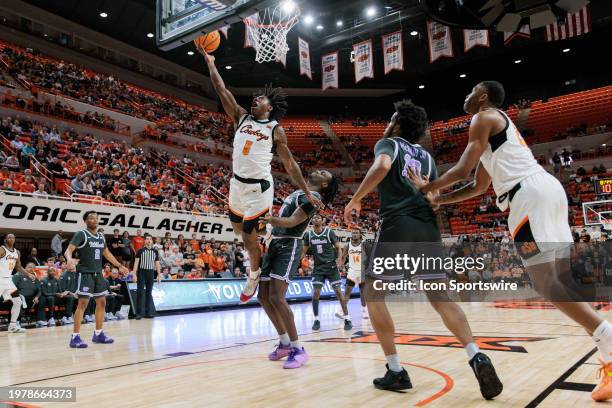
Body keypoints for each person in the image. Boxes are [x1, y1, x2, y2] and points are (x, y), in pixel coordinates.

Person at [416, 81, 612, 402]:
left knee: (545, 283)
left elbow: (463, 168)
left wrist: (427, 188)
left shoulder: (484, 117)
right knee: (560, 281)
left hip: (527, 197)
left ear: (482, 96)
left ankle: (609, 339)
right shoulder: (495, 137)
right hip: (544, 192)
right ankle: (608, 358)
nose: (464, 97)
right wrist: (442, 201)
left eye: (470, 92)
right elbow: (478, 187)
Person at [344, 99, 502, 398]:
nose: (388, 123)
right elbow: (435, 195)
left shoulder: (388, 143)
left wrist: (356, 198)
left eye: (392, 118)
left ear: (399, 123)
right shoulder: (427, 157)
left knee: (373, 294)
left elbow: (382, 166)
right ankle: (476, 355)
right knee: (440, 296)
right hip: (428, 228)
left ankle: (395, 370)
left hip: (399, 225)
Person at [197, 48, 322, 304]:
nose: (255, 99)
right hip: (237, 184)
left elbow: (289, 164)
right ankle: (259, 242)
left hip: (260, 188)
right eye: (254, 98)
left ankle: (253, 275)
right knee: (237, 228)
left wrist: (308, 192)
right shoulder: (241, 117)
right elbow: (222, 90)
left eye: (261, 99)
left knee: (247, 236)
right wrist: (210, 62)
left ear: (270, 107)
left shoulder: (275, 130)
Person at [257, 169, 338, 369]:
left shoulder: (314, 197)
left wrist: (270, 220)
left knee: (277, 297)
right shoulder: (301, 191)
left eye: (323, 173)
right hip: (274, 243)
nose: (318, 170)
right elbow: (293, 171)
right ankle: (284, 343)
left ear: (325, 184)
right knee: (263, 297)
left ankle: (298, 348)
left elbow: (293, 221)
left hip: (289, 245)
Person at [65, 211, 128, 348]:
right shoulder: (81, 234)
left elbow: (107, 254)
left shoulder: (100, 236)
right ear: (85, 221)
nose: (94, 219)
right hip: (85, 274)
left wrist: (120, 266)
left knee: (102, 303)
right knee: (82, 304)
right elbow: (68, 250)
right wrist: (69, 259)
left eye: (96, 218)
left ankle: (98, 334)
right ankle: (75, 337)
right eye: (91, 218)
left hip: (98, 275)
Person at [303, 214, 351, 331]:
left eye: (318, 218)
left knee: (339, 292)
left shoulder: (329, 232)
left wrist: (339, 259)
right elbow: (303, 252)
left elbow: (338, 247)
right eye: (313, 218)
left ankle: (347, 319)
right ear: (312, 221)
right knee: (316, 293)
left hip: (331, 267)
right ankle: (316, 320)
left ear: (322, 220)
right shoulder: (308, 235)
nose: (316, 219)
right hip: (318, 268)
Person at [336, 229, 367, 320]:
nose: (355, 234)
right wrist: (340, 265)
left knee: (363, 292)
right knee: (347, 293)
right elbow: (343, 257)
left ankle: (364, 311)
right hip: (352, 272)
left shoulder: (364, 245)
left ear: (360, 235)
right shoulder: (347, 245)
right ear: (351, 235)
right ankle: (342, 311)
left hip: (362, 271)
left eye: (357, 232)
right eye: (353, 233)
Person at [0, 233, 27, 333]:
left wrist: (28, 274)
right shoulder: (2, 249)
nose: (11, 239)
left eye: (13, 237)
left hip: (8, 281)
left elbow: (19, 267)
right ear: (5, 240)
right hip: (0, 279)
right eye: (9, 237)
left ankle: (12, 326)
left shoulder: (17, 252)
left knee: (18, 301)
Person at [132, 234, 161, 319]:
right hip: (141, 272)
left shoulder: (155, 251)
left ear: (152, 241)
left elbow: (157, 264)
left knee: (149, 293)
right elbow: (136, 263)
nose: (148, 240)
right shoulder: (140, 251)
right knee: (140, 293)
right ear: (145, 241)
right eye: (147, 239)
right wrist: (134, 274)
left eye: (150, 239)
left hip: (151, 272)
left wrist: (159, 274)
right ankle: (138, 313)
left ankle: (148, 313)